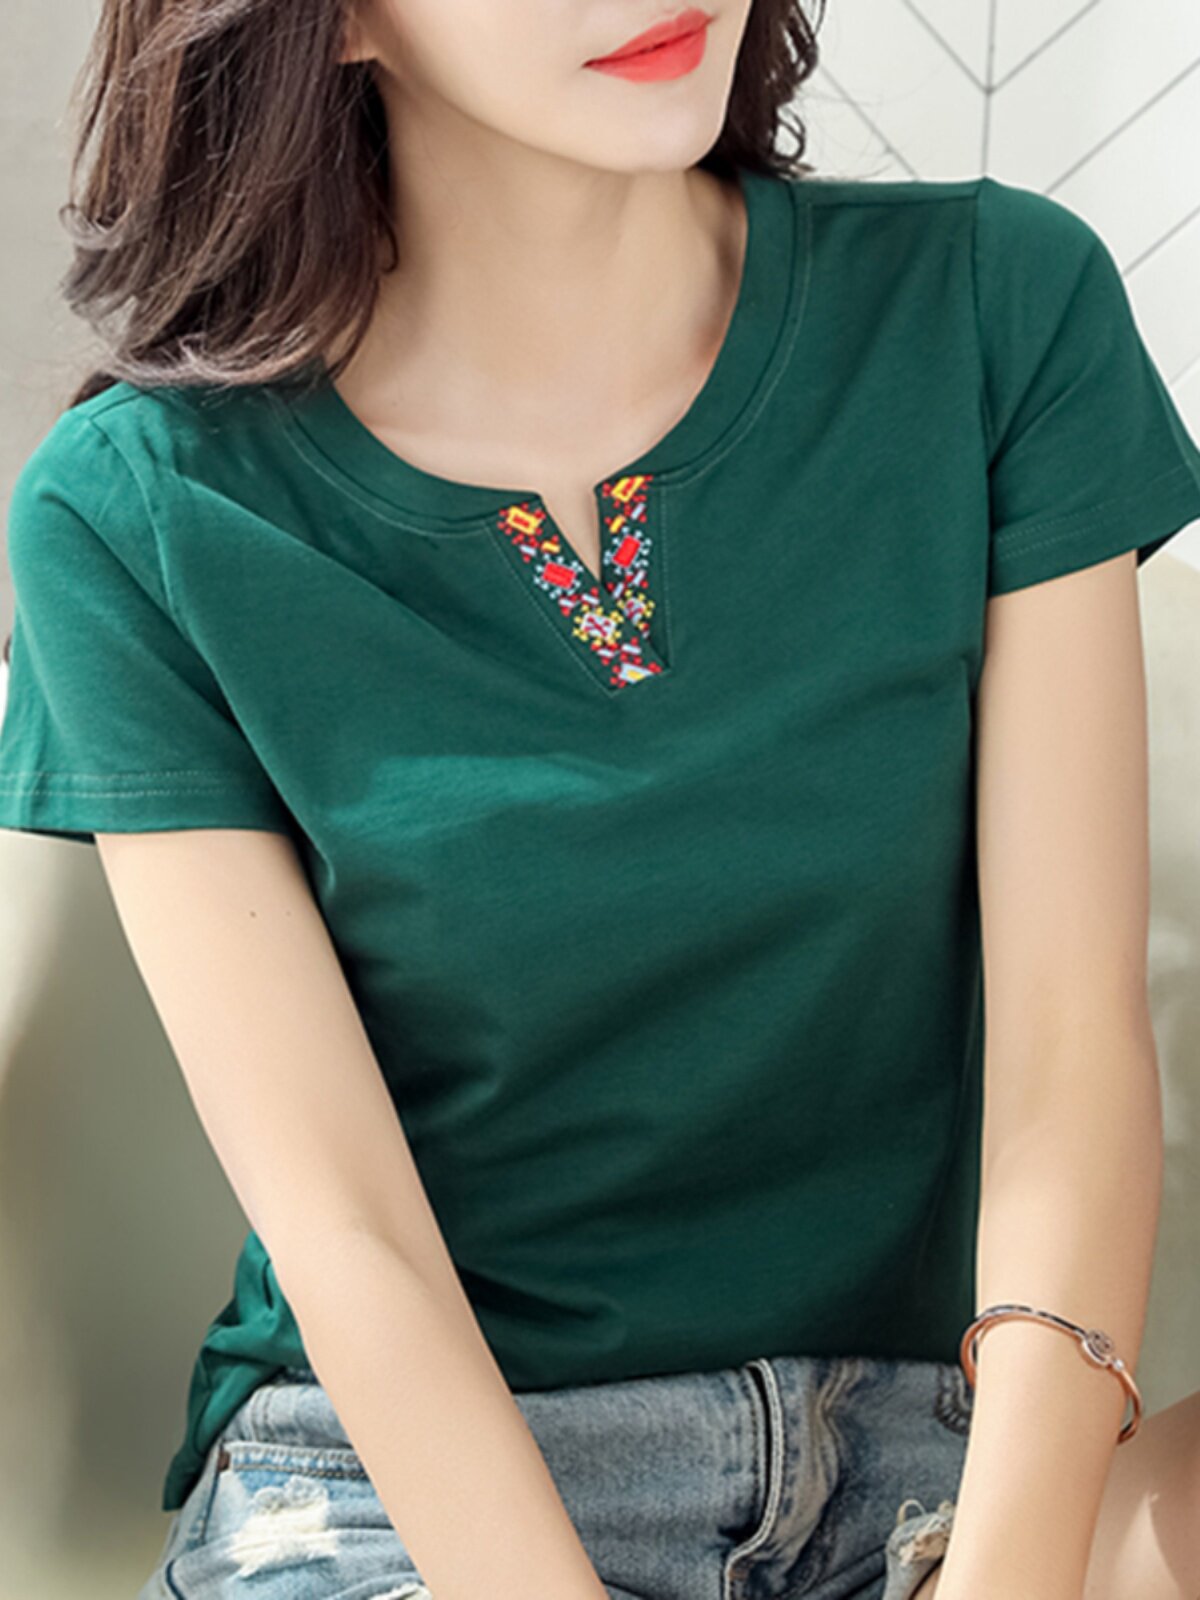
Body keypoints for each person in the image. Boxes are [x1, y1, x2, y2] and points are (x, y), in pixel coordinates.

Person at [2, 0, 1199, 1597]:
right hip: (419, 1502)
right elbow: (350, 1232)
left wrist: (1011, 1578)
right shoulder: (140, 513)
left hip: (931, 1461)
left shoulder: (992, 306)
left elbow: (1070, 1050)